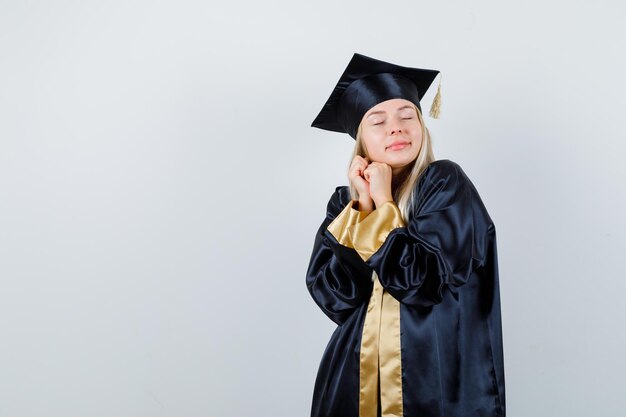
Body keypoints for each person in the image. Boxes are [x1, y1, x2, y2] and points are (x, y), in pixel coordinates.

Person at [305, 53, 506, 417]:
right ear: (361, 142)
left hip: (436, 383)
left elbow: (421, 283)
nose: (395, 128)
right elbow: (338, 300)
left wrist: (383, 204)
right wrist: (362, 209)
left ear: (421, 126)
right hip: (351, 383)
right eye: (378, 121)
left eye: (406, 116)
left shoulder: (444, 184)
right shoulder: (344, 205)